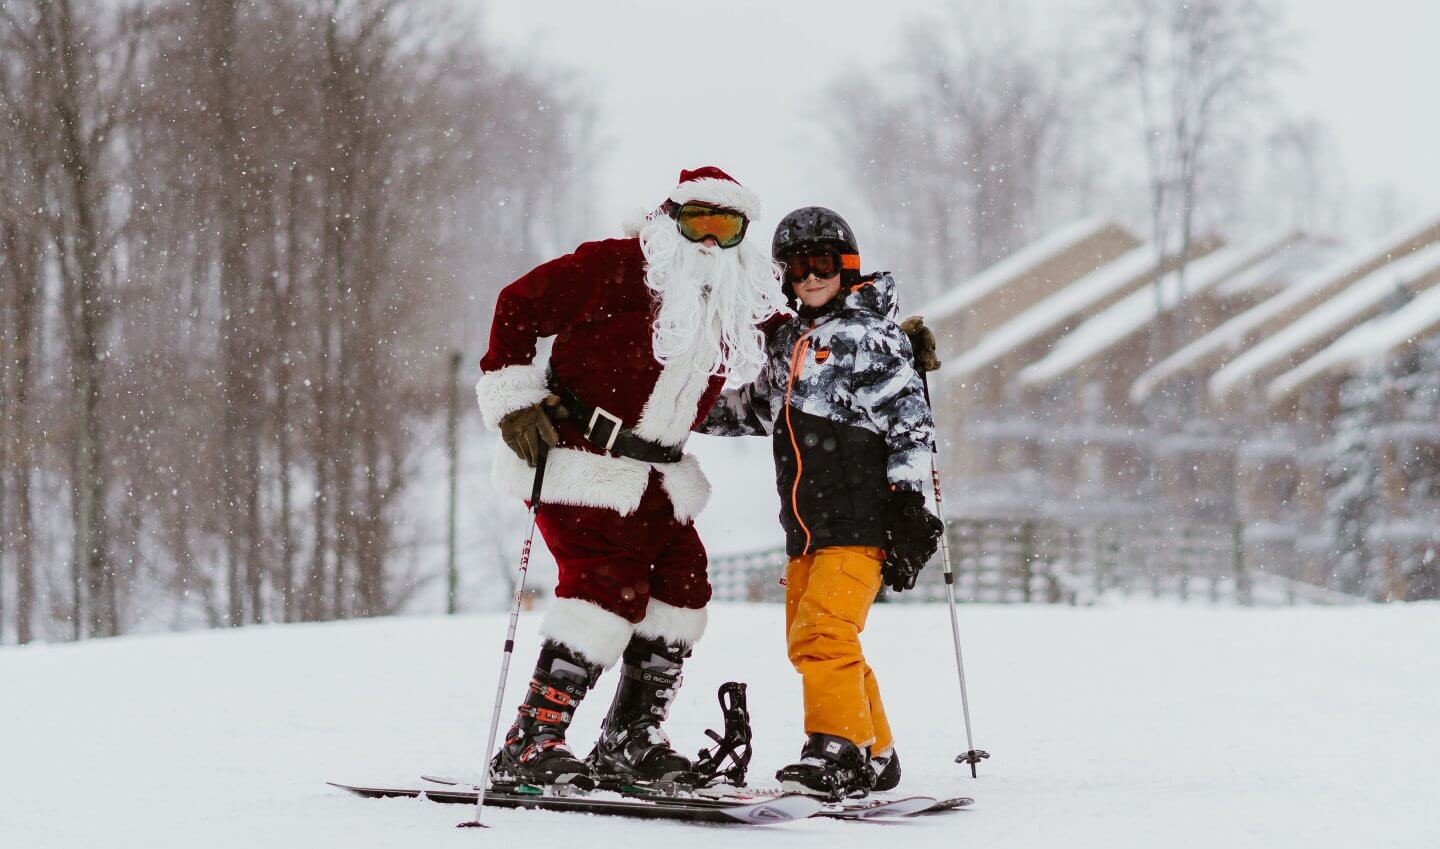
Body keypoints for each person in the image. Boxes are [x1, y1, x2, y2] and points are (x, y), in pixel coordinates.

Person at [474, 167, 788, 789]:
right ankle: (530, 741)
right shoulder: (615, 267)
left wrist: (884, 341)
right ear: (669, 219)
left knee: (682, 586)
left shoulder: (737, 295)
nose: (708, 243)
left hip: (658, 475)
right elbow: (518, 304)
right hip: (580, 459)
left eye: (726, 228)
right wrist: (514, 401)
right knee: (603, 584)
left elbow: (806, 330)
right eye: (698, 222)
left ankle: (629, 741)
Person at [700, 206, 945, 800]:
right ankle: (875, 749)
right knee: (812, 641)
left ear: (846, 266)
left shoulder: (871, 338)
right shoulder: (788, 341)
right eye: (796, 266)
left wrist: (913, 503)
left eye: (822, 264)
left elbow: (911, 423)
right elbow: (754, 409)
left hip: (860, 521)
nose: (809, 277)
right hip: (806, 530)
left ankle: (838, 748)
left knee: (824, 635)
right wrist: (680, 408)